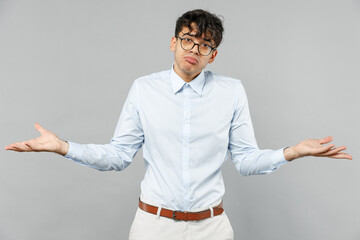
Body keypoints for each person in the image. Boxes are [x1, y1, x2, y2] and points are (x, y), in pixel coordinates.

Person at [5, 9, 352, 240]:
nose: (194, 49)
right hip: (152, 227)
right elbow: (118, 155)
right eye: (188, 39)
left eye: (205, 45)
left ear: (213, 54)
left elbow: (245, 161)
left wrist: (292, 152)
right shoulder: (144, 88)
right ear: (174, 42)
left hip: (212, 228)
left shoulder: (231, 91)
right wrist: (62, 146)